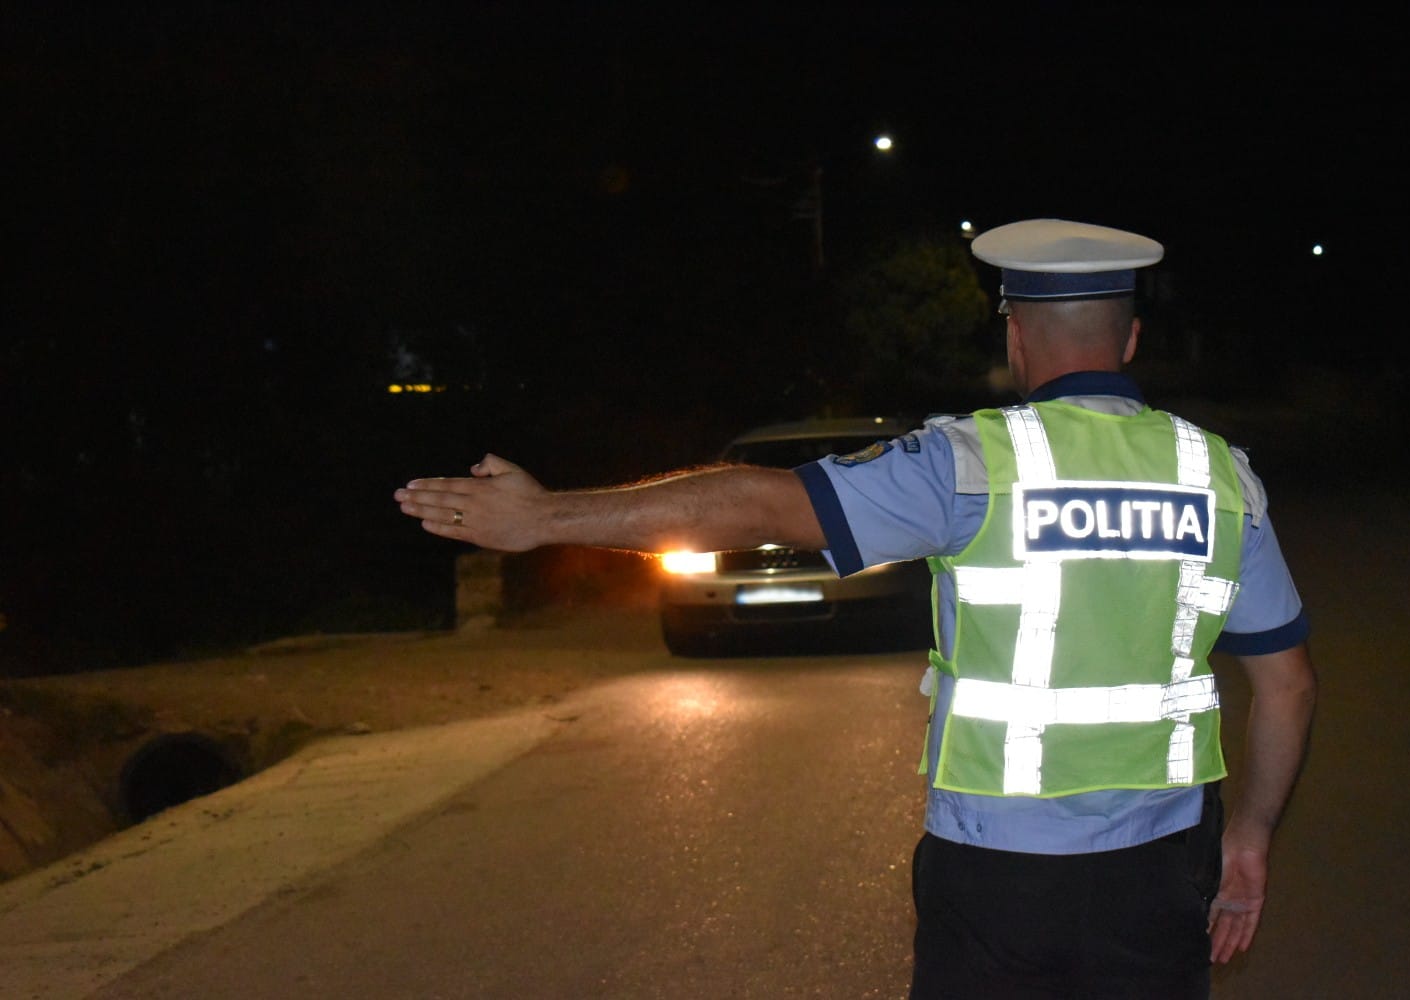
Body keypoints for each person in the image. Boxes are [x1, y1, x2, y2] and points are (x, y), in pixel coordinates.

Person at [394, 218, 1316, 998]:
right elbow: (1287, 686)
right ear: (1131, 340)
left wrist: (545, 518)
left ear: (1015, 337)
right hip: (1161, 869)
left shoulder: (969, 465)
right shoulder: (1219, 477)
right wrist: (1251, 835)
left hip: (996, 878)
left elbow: (756, 505)